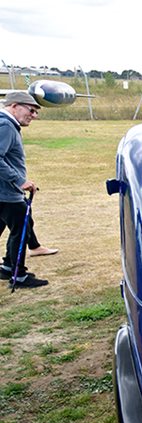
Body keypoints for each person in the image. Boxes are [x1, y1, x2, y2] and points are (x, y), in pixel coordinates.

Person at [0, 91, 48, 288]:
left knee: (20, 227)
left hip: (5, 191)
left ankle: (7, 268)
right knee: (22, 230)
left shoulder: (7, 124)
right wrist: (20, 181)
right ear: (14, 106)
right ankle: (18, 274)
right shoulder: (5, 126)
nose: (34, 115)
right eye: (31, 110)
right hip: (7, 193)